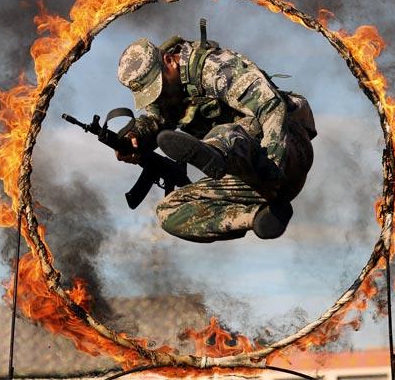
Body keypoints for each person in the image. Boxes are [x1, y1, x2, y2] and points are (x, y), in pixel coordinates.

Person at [115, 22, 316, 243]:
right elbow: (156, 120)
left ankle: (216, 151)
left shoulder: (216, 68)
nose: (158, 96)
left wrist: (274, 167)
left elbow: (271, 107)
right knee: (169, 212)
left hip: (286, 153)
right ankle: (260, 217)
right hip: (252, 185)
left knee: (225, 134)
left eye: (158, 86)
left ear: (169, 60)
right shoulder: (166, 93)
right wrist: (135, 138)